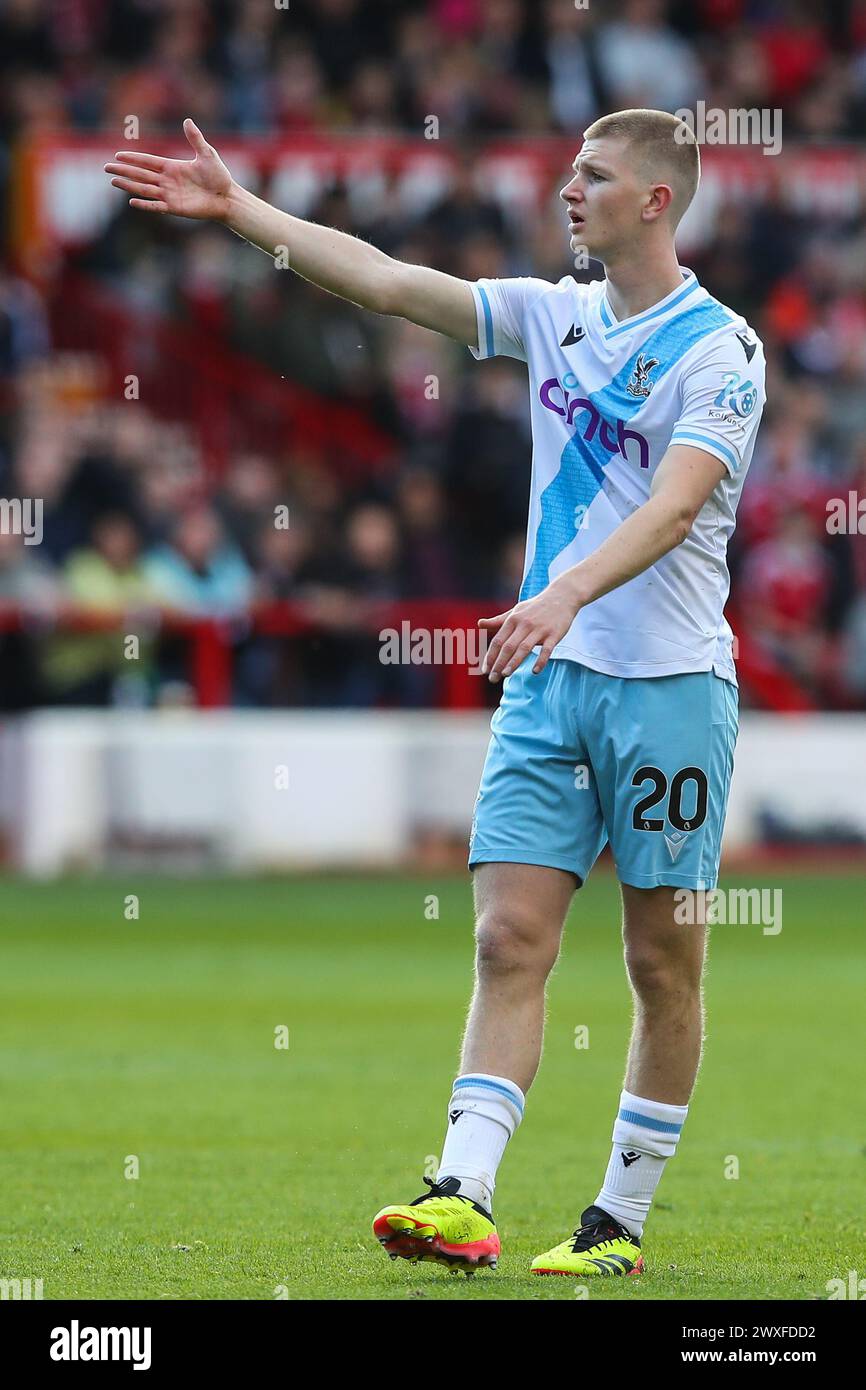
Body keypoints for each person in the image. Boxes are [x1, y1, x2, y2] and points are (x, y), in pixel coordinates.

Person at [104, 107, 766, 1278]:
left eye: (595, 176)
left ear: (656, 201)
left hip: (664, 687)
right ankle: (460, 1191)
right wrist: (240, 208)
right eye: (568, 170)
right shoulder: (555, 314)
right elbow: (390, 282)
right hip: (548, 683)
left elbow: (674, 507)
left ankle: (615, 1221)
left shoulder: (721, 350)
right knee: (509, 937)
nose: (569, 189)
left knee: (663, 961)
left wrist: (562, 594)